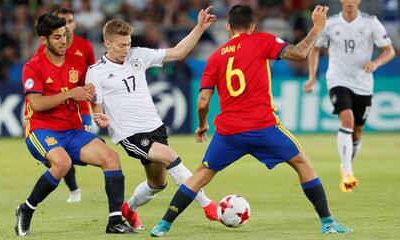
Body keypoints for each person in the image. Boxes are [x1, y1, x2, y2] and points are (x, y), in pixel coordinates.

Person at [150, 5, 353, 237]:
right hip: (263, 127)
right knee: (301, 163)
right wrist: (317, 29)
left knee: (200, 176)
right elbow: (299, 53)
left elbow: (203, 100)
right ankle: (327, 222)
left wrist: (202, 124)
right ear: (252, 26)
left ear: (227, 27)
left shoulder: (215, 57)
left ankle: (164, 224)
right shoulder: (262, 40)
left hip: (228, 134)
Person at [86, 7, 218, 230]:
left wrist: (199, 28)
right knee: (171, 157)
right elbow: (97, 109)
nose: (126, 49)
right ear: (107, 43)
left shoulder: (138, 54)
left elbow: (177, 52)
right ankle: (208, 205)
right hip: (130, 134)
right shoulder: (96, 72)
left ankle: (129, 208)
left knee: (158, 183)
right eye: (121, 45)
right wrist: (101, 119)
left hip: (155, 127)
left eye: (128, 43)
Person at [15, 13, 136, 236]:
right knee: (62, 163)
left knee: (111, 158)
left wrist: (90, 97)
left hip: (72, 130)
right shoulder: (32, 67)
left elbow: (87, 92)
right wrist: (72, 93)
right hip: (40, 129)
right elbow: (37, 103)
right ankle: (26, 209)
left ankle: (115, 222)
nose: (63, 41)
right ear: (44, 40)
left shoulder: (78, 62)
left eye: (65, 35)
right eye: (57, 37)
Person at [304, 0, 395, 192]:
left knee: (357, 131)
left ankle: (346, 165)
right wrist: (312, 77)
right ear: (342, 1)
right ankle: (347, 172)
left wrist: (375, 64)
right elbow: (316, 48)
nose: (351, 2)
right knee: (347, 120)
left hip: (363, 84)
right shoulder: (331, 23)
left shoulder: (371, 23)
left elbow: (389, 51)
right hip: (338, 80)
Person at [36, 8, 97, 203]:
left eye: (70, 21)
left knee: (77, 154)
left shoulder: (84, 46)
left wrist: (96, 106)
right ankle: (74, 189)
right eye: (64, 22)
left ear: (74, 24)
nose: (68, 26)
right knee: (63, 156)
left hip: (82, 110)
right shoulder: (43, 53)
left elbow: (93, 74)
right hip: (56, 115)